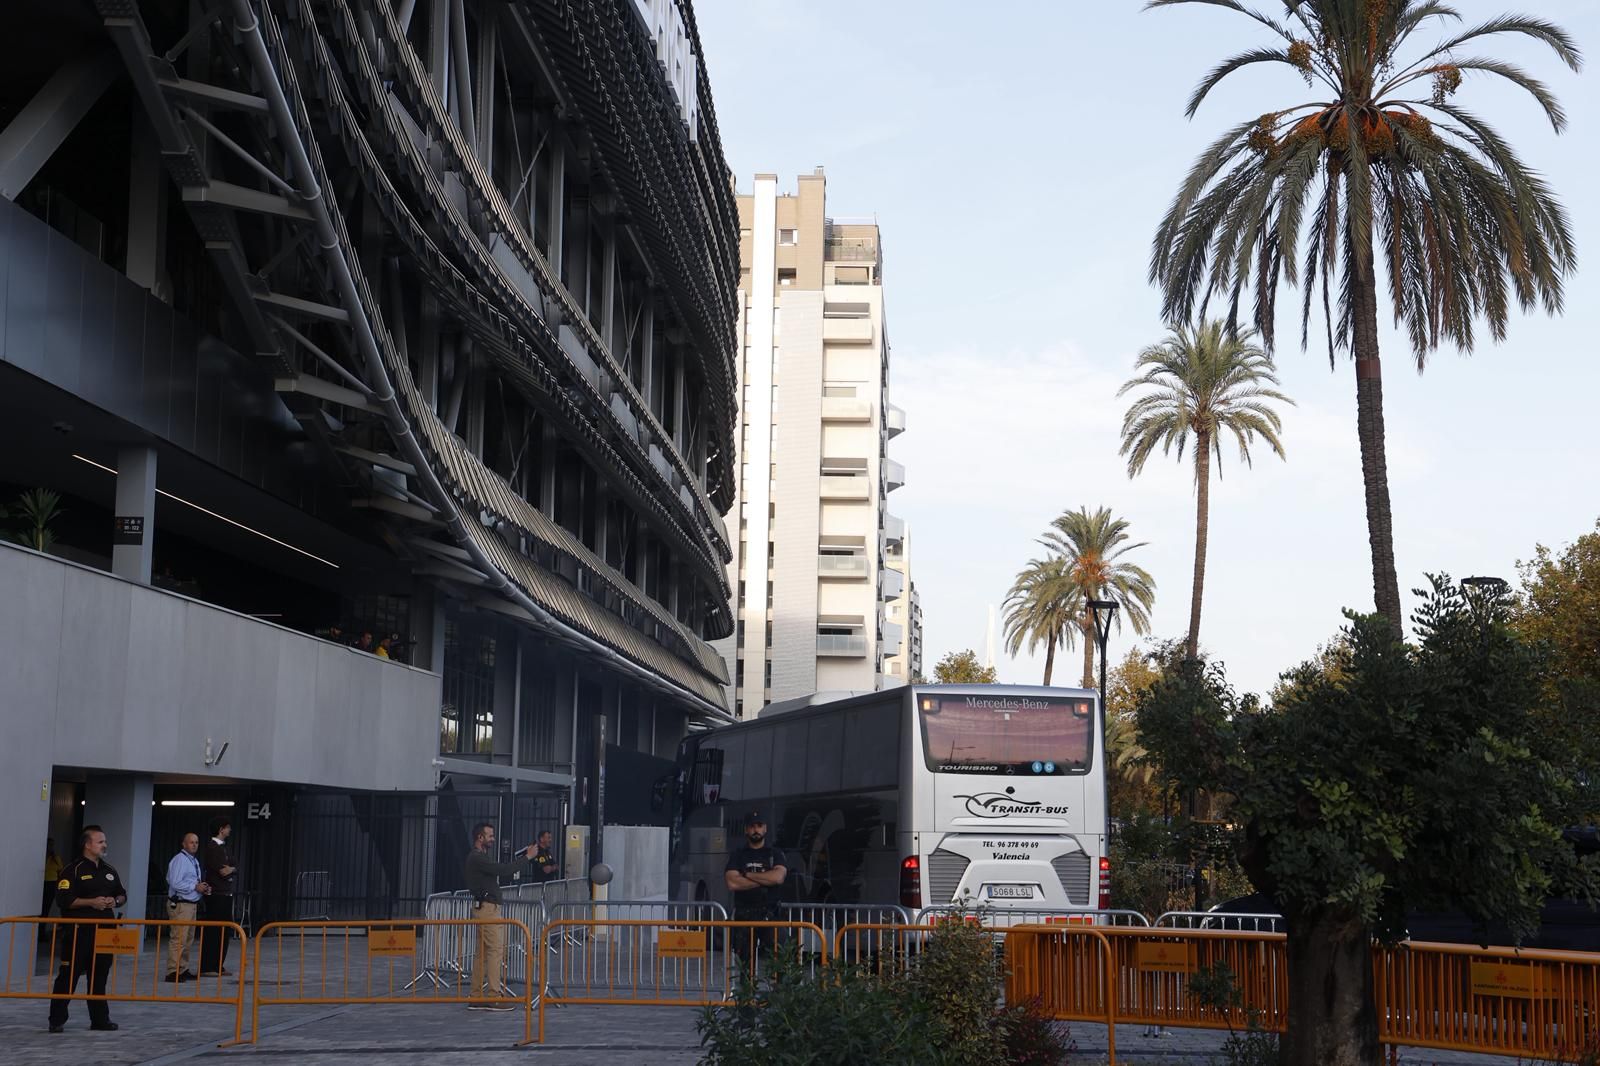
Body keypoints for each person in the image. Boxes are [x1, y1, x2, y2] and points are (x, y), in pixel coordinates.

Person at [48, 826, 125, 1033]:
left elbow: (122, 894)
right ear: (87, 844)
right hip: (78, 932)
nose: (104, 845)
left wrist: (114, 901)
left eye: (105, 841)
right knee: (68, 975)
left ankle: (100, 1020)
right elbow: (64, 900)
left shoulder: (110, 870)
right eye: (100, 842)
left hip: (105, 932)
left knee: (99, 976)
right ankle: (56, 1019)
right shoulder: (72, 870)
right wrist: (91, 902)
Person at [463, 823, 536, 1011]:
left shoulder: (478, 858)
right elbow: (503, 870)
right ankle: (494, 996)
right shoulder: (478, 858)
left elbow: (500, 869)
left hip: (484, 907)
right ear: (480, 837)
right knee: (495, 951)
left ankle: (476, 995)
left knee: (482, 954)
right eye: (490, 836)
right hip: (487, 909)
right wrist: (527, 857)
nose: (493, 839)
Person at [723, 811, 787, 969]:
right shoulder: (738, 855)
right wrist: (766, 880)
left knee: (780, 960)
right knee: (745, 965)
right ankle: (747, 994)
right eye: (752, 826)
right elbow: (732, 883)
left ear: (765, 829)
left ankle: (779, 993)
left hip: (770, 914)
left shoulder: (775, 854)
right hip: (744, 915)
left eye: (759, 826)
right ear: (746, 830)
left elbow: (778, 878)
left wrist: (748, 874)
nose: (756, 830)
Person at [164, 833, 210, 983]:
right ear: (183, 844)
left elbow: (190, 881)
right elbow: (175, 882)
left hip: (191, 904)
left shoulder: (193, 860)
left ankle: (182, 969)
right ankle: (172, 971)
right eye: (191, 842)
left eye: (196, 842)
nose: (194, 845)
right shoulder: (180, 860)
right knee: (179, 938)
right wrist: (194, 886)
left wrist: (202, 888)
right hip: (181, 904)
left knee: (187, 939)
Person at [198, 817, 237, 976]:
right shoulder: (212, 848)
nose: (229, 830)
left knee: (224, 931)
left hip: (225, 893)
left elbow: (233, 866)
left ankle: (218, 964)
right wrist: (231, 869)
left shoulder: (224, 848)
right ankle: (208, 966)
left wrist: (232, 869)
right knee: (214, 931)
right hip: (217, 894)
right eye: (228, 827)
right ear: (221, 829)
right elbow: (222, 870)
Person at [42, 838, 61, 918]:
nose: (51, 847)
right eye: (49, 844)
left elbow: (60, 871)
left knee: (46, 906)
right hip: (41, 882)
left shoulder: (55, 858)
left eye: (52, 845)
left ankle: (42, 928)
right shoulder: (41, 855)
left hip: (51, 883)